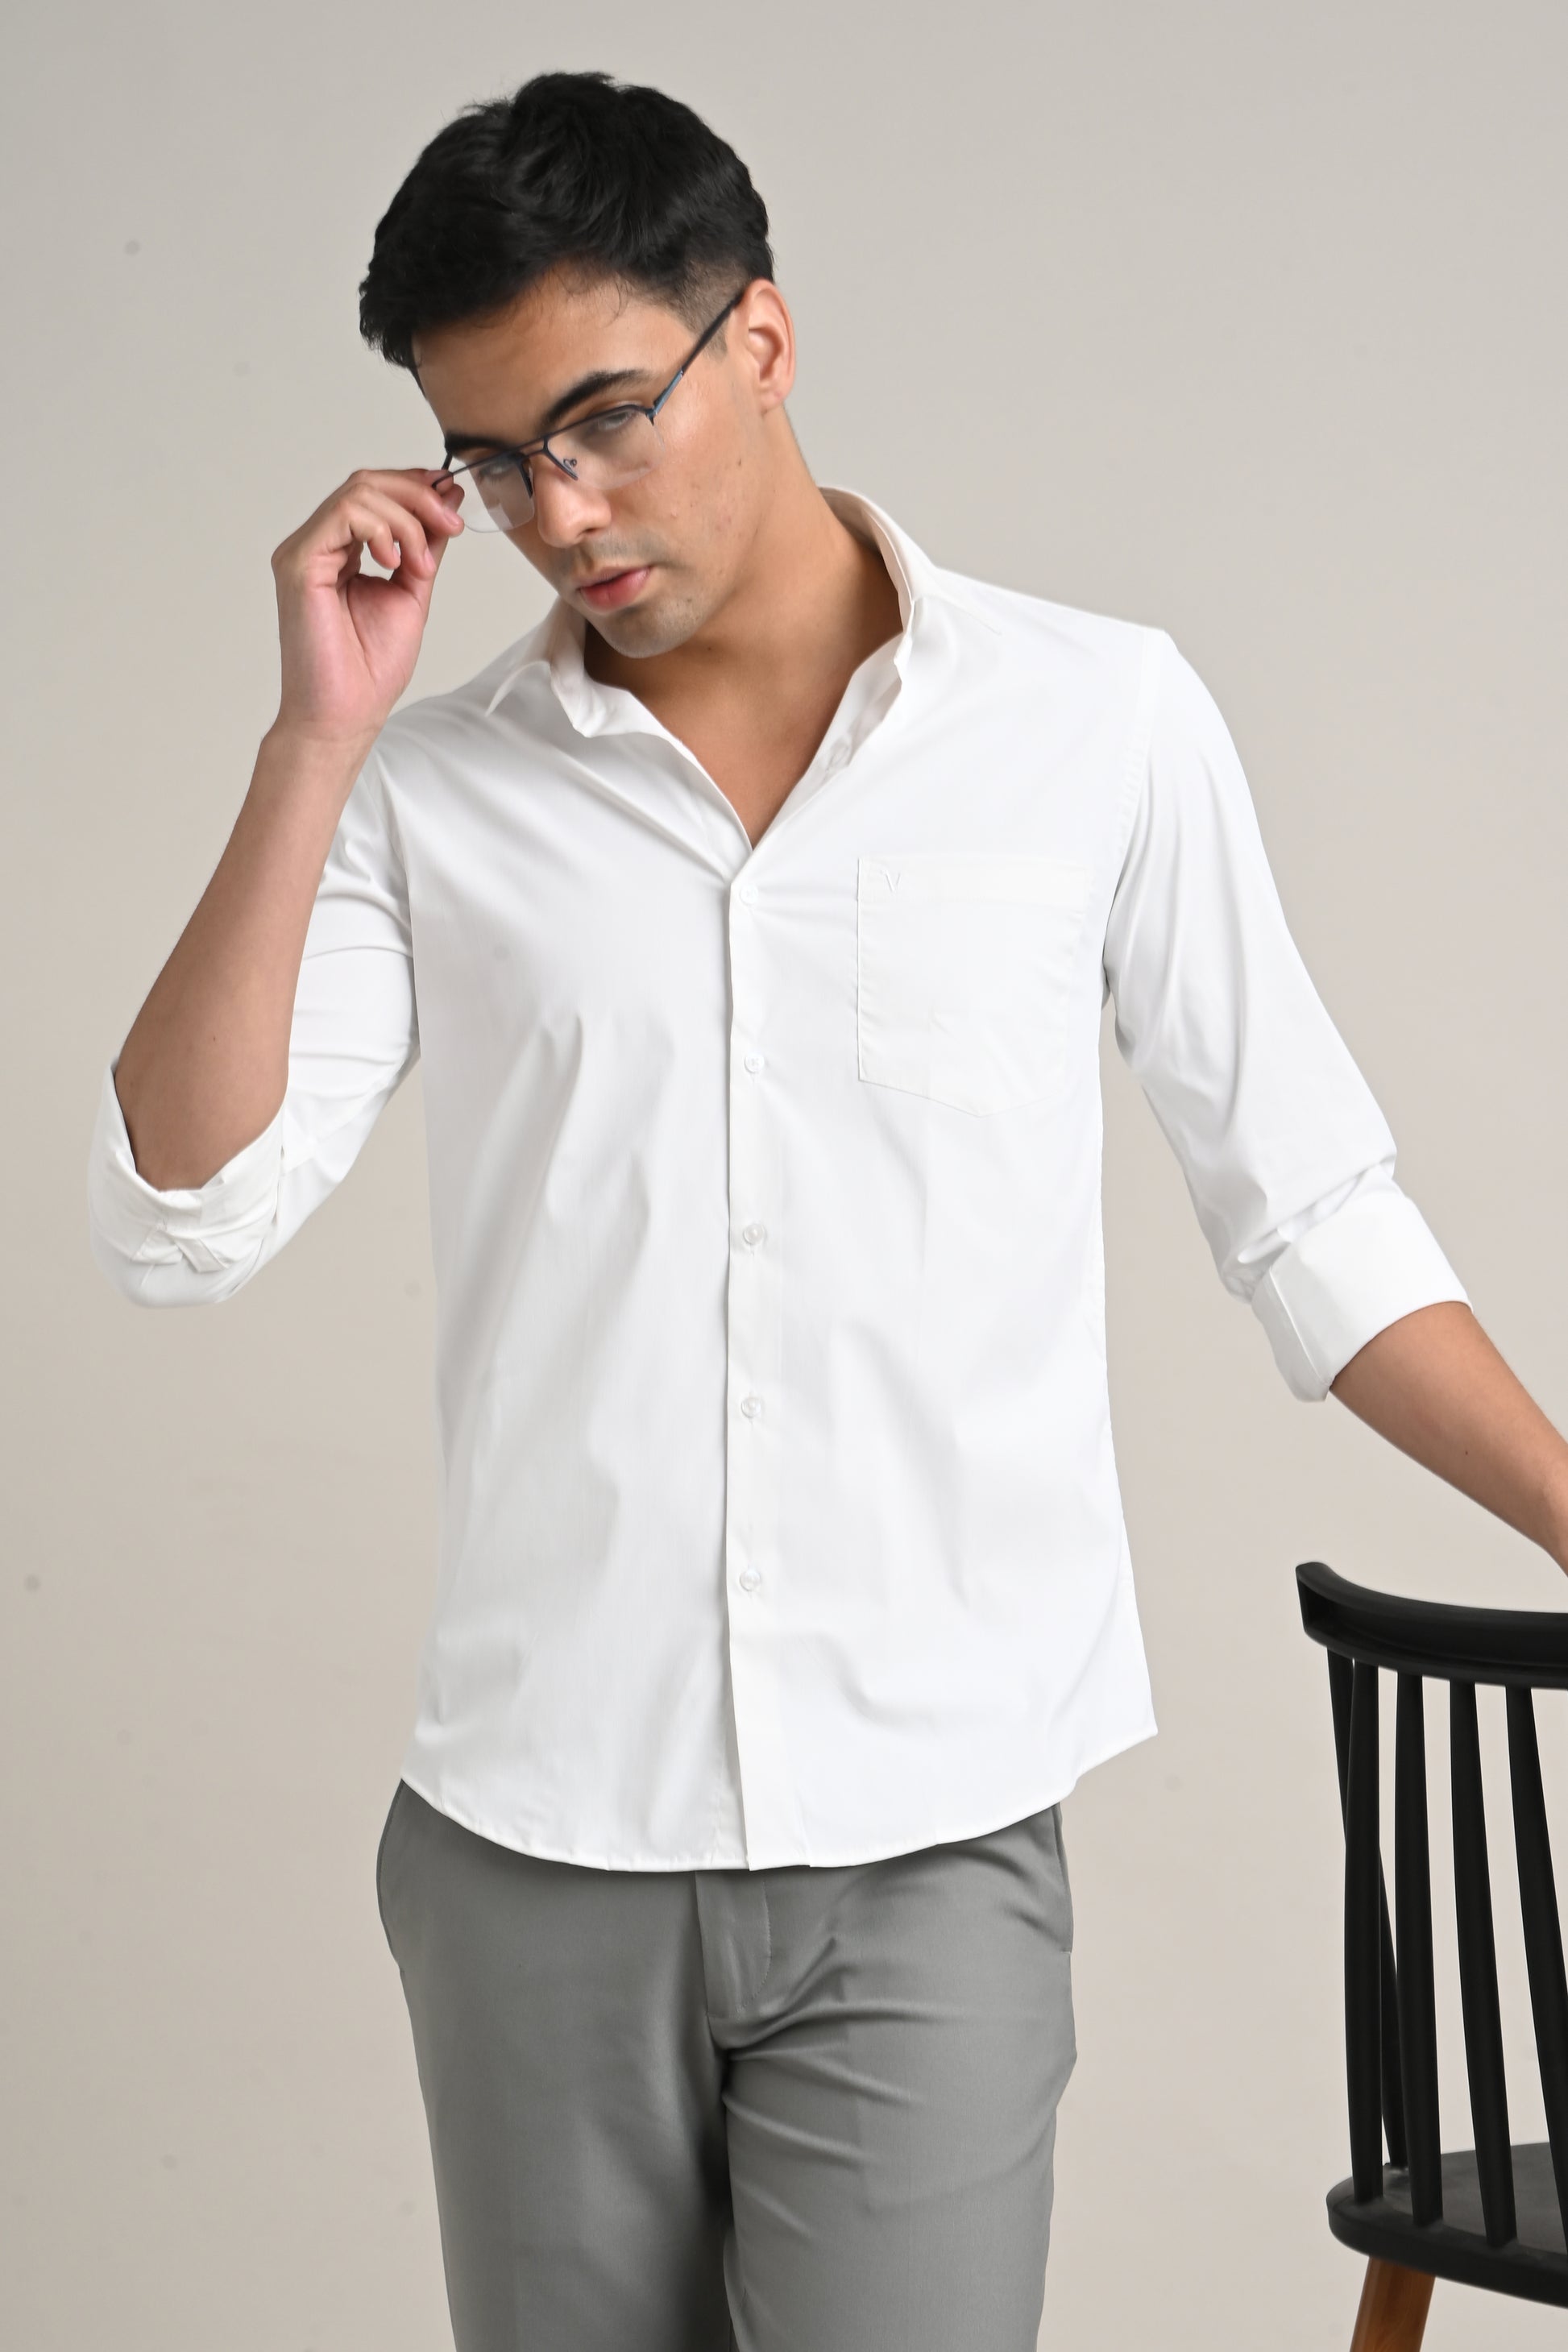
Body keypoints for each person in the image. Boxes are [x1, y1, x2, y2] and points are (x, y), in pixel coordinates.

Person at [86, 66, 1568, 2352]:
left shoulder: (1095, 723)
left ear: (760, 337)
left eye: (604, 420)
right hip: (534, 1848)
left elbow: (1312, 1218)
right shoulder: (428, 791)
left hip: (930, 1841)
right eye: (494, 464)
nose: (562, 511)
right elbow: (179, 1216)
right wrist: (315, 746)